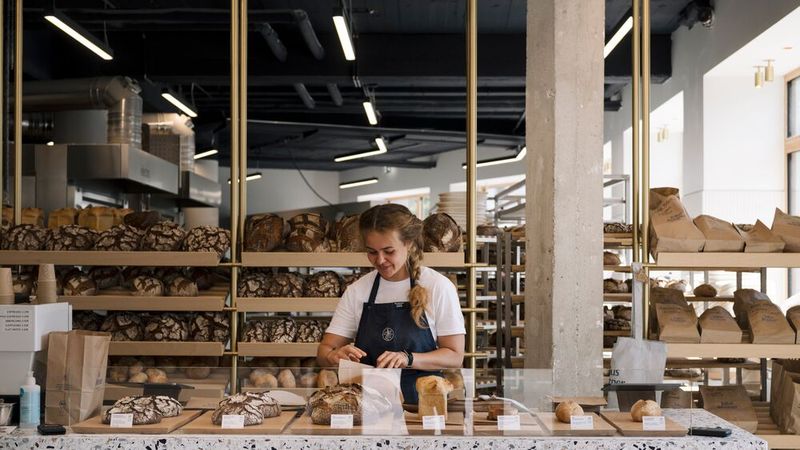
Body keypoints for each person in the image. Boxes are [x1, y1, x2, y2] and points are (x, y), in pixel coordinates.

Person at [317, 204, 465, 404]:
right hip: (368, 408)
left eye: (389, 251)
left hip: (423, 407)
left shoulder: (438, 287)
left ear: (409, 243)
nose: (380, 260)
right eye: (372, 252)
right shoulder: (358, 291)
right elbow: (324, 351)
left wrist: (409, 359)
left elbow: (455, 356)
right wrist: (335, 355)